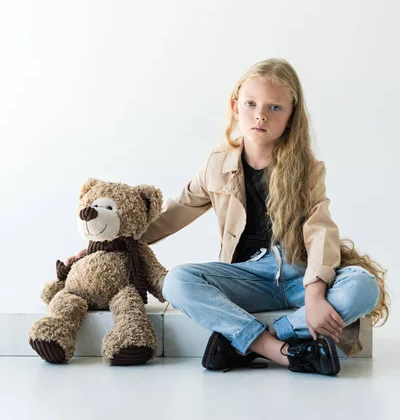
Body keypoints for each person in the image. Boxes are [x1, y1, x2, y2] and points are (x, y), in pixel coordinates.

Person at [67, 58, 390, 375]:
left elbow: (320, 230)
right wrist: (108, 244)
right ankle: (275, 350)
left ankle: (263, 338)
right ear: (236, 107)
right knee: (178, 281)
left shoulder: (306, 168)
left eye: (275, 107)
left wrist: (315, 293)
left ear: (291, 116)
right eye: (251, 103)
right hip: (246, 275)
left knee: (363, 287)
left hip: (296, 273)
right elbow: (172, 213)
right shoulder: (218, 164)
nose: (260, 115)